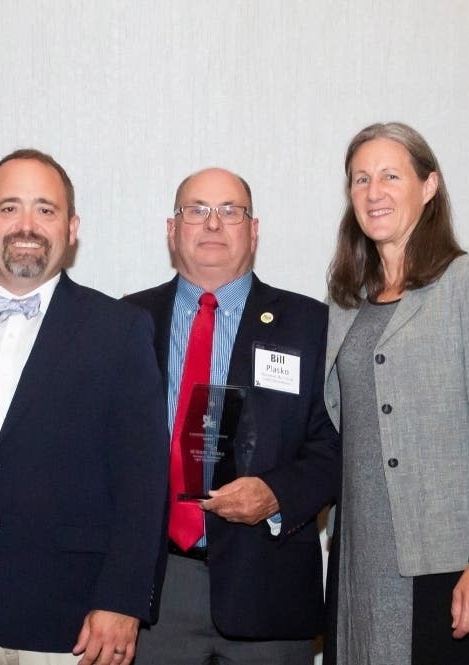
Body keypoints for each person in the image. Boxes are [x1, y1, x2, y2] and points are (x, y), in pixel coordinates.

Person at [0, 148, 168, 665]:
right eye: (9, 208)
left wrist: (122, 600)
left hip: (74, 618)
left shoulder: (120, 329)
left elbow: (143, 478)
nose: (27, 225)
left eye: (45, 209)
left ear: (72, 227)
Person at [323, 122, 469, 665]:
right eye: (360, 179)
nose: (374, 191)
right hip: (358, 560)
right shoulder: (345, 300)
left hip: (448, 561)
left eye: (391, 176)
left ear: (429, 185)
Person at [124, 168, 341, 665]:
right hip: (155, 590)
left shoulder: (311, 325)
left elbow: (336, 445)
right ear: (172, 229)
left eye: (230, 211)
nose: (213, 223)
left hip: (267, 586)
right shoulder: (126, 322)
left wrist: (277, 494)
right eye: (196, 210)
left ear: (254, 229)